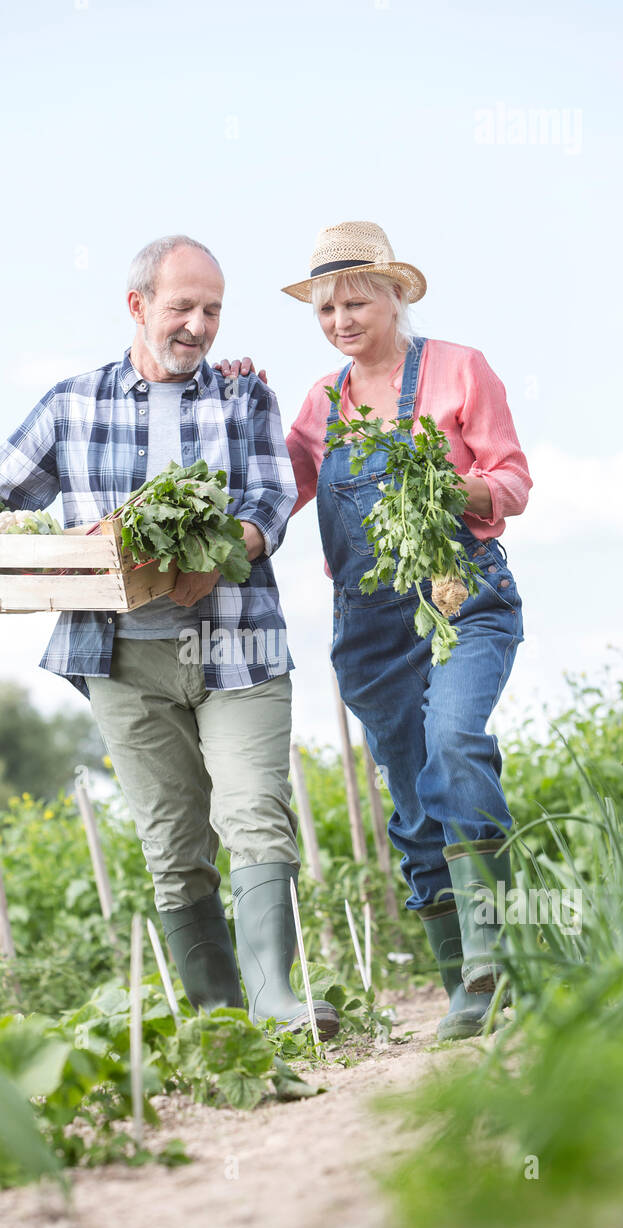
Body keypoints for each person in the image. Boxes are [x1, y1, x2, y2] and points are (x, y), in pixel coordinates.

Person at [0, 234, 340, 1039]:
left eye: (213, 310)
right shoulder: (73, 402)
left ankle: (278, 1004)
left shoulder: (243, 397)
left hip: (234, 644)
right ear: (137, 306)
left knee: (254, 814)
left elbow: (272, 501)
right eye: (182, 307)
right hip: (119, 656)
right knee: (174, 845)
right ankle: (220, 1022)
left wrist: (225, 554)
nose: (199, 326)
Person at [221, 220, 532, 1040]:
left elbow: (511, 480)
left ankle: (495, 961)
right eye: (326, 310)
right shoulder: (323, 401)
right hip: (370, 625)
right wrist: (236, 397)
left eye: (355, 302)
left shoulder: (462, 370)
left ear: (396, 295)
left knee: (456, 744)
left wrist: (447, 487)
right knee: (411, 793)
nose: (340, 321)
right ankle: (458, 982)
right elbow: (275, 485)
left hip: (463, 596)